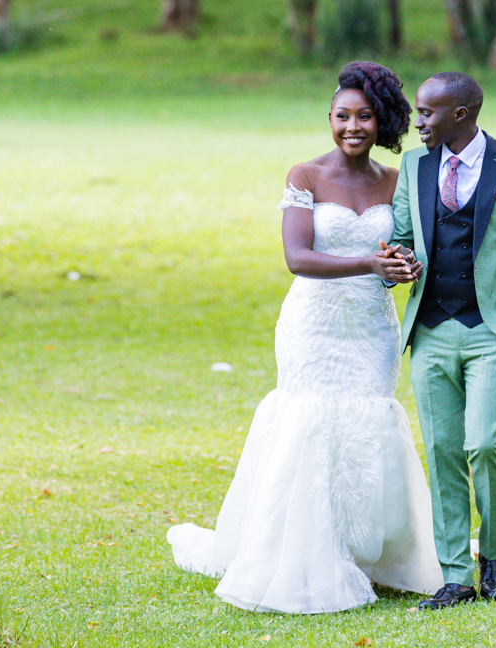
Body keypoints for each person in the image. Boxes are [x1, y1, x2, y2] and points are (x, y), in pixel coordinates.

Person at [167, 61, 444, 613]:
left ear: (382, 120)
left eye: (364, 117)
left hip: (371, 328)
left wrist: (403, 264)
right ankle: (303, 553)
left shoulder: (398, 181)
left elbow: (408, 245)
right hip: (314, 327)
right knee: (309, 421)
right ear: (330, 118)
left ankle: (367, 550)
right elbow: (298, 258)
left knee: (365, 423)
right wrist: (369, 262)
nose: (352, 127)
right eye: (342, 116)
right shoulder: (305, 177)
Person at [383, 71, 496, 609]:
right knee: (442, 452)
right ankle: (456, 574)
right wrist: (398, 262)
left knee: (484, 443)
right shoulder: (413, 166)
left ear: (461, 114)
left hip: (492, 328)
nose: (417, 122)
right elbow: (401, 236)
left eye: (427, 113)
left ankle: (495, 557)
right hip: (432, 328)